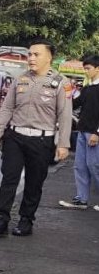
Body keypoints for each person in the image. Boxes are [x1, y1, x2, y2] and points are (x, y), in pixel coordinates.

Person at [0, 39, 73, 236]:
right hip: (15, 137)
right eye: (30, 54)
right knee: (9, 179)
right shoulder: (20, 79)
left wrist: (63, 144)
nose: (31, 58)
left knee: (34, 182)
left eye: (36, 54)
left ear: (49, 58)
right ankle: (0, 220)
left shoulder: (61, 83)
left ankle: (26, 220)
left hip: (41, 141)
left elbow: (65, 115)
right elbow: (7, 107)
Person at [59, 54, 99, 211]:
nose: (86, 71)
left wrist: (97, 133)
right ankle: (82, 199)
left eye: (88, 68)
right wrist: (68, 92)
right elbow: (74, 104)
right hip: (82, 130)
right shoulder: (88, 88)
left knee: (94, 165)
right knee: (80, 166)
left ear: (97, 68)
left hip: (93, 133)